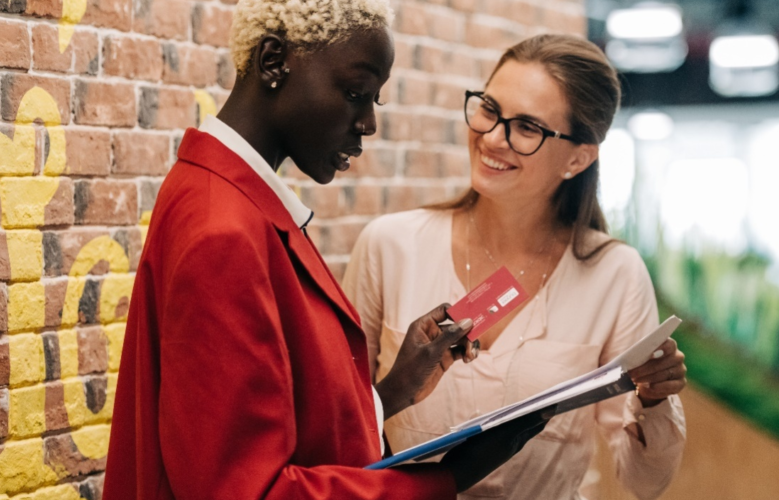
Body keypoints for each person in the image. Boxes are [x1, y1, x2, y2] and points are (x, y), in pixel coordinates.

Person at [103, 1, 553, 499]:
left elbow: (277, 435)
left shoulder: (223, 197)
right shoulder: (223, 230)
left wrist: (389, 393)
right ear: (274, 62)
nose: (368, 125)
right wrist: (451, 476)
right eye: (355, 94)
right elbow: (246, 490)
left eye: (374, 101)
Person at [343, 34, 688, 500]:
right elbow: (338, 427)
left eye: (526, 127)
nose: (491, 137)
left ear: (578, 158)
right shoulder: (392, 246)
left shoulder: (614, 273)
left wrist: (653, 397)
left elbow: (645, 481)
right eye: (488, 107)